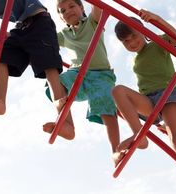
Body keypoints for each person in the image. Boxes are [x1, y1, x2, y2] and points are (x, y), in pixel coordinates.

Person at [113, 9, 176, 193]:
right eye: (126, 42)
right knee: (118, 91)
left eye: (134, 36)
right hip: (149, 100)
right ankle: (139, 134)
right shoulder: (136, 61)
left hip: (168, 94)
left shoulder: (157, 44)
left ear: (143, 31)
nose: (132, 43)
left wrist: (156, 19)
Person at [0, 0, 75, 140]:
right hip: (21, 28)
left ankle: (68, 124)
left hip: (40, 21)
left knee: (50, 68)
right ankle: (0, 101)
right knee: (0, 56)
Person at [45, 0, 121, 165]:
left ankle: (116, 151)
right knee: (55, 81)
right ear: (61, 18)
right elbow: (42, 40)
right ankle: (66, 124)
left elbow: (99, 7)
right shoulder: (64, 34)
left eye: (72, 6)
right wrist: (13, 37)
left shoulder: (92, 22)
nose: (68, 11)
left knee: (106, 107)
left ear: (82, 7)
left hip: (101, 75)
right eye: (62, 10)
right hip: (78, 75)